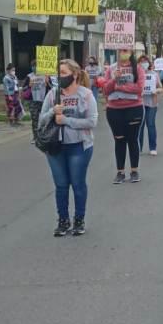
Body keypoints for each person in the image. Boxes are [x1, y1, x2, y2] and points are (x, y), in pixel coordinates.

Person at [38, 59, 97, 236]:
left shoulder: (86, 95)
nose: (60, 76)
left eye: (64, 73)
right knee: (61, 185)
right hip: (55, 146)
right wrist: (52, 112)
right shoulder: (52, 94)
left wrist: (66, 120)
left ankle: (79, 219)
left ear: (75, 74)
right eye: (59, 73)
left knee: (77, 184)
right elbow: (41, 120)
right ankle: (63, 220)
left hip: (79, 146)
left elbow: (92, 121)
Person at [103, 49, 145, 184]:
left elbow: (139, 89)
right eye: (121, 50)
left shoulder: (138, 69)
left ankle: (134, 171)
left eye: (126, 50)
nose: (123, 52)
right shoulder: (111, 69)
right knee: (119, 140)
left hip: (134, 108)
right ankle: (120, 172)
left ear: (131, 51)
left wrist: (119, 87)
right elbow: (105, 90)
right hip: (114, 110)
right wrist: (113, 80)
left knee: (133, 140)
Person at [138, 55, 160, 156]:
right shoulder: (136, 75)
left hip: (152, 103)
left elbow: (160, 87)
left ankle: (153, 147)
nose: (143, 63)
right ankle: (139, 147)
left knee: (150, 124)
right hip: (139, 103)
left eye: (145, 61)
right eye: (141, 61)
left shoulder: (154, 74)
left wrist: (156, 91)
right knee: (140, 126)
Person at [24, 60, 49, 145]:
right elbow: (24, 88)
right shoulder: (29, 76)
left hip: (44, 101)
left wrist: (47, 82)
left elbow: (52, 88)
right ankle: (35, 137)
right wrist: (29, 86)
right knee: (35, 120)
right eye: (33, 66)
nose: (34, 68)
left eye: (36, 66)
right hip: (33, 101)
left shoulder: (45, 75)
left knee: (44, 119)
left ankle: (44, 136)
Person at [3, 63, 21, 127]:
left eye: (14, 70)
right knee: (10, 107)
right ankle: (10, 121)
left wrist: (19, 93)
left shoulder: (15, 77)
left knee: (17, 107)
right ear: (8, 70)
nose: (13, 71)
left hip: (15, 93)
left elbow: (17, 84)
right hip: (10, 94)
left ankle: (16, 120)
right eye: (12, 70)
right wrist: (9, 96)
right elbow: (6, 87)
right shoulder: (6, 78)